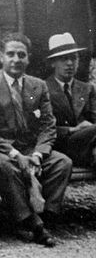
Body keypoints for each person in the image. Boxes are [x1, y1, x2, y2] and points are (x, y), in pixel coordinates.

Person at [0, 33, 72, 244]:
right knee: (6, 167)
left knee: (62, 163)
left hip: (31, 148)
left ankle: (46, 215)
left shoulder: (38, 85)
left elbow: (48, 124)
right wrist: (14, 153)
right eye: (10, 54)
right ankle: (28, 221)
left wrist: (38, 153)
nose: (16, 59)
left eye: (21, 55)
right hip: (3, 148)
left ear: (28, 58)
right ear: (1, 56)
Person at [45, 33, 96, 168]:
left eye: (74, 58)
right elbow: (42, 128)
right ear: (52, 63)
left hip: (88, 143)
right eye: (63, 59)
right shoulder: (42, 88)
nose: (69, 63)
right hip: (61, 146)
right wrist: (72, 130)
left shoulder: (87, 89)